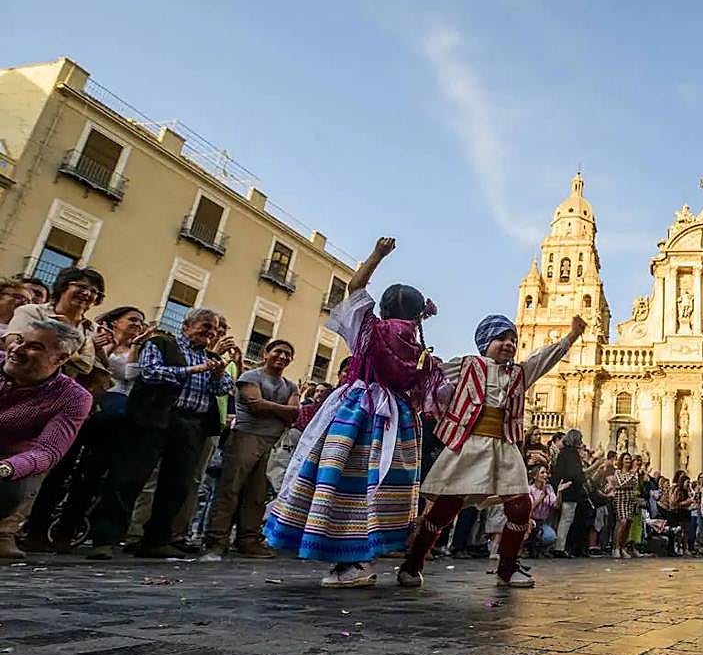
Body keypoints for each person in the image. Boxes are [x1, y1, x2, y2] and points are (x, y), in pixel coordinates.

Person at [264, 237, 441, 587]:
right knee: (378, 485)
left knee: (344, 480)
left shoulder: (370, 329)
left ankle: (351, 562)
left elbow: (356, 286)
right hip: (399, 420)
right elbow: (431, 393)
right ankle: (364, 557)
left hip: (357, 413)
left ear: (386, 308)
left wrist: (377, 255)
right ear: (420, 314)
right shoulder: (422, 352)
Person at [397, 312, 587, 589]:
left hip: (504, 447)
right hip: (469, 446)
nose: (509, 344)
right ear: (485, 342)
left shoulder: (520, 373)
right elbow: (427, 374)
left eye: (513, 339)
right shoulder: (466, 366)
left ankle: (507, 568)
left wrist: (571, 337)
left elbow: (544, 359)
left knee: (520, 508)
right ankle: (412, 564)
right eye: (501, 338)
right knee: (444, 510)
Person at [90, 308, 236, 558]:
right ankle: (105, 539)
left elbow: (223, 389)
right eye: (205, 325)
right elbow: (150, 372)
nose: (209, 332)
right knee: (129, 477)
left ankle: (156, 540)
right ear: (187, 325)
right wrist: (191, 370)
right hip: (152, 420)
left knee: (176, 485)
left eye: (213, 329)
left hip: (191, 426)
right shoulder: (160, 344)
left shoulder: (212, 358)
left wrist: (218, 374)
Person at [21, 306, 151, 556]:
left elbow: (129, 375)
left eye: (141, 321)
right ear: (114, 322)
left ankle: (66, 533)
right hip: (85, 409)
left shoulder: (141, 351)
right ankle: (36, 530)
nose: (138, 324)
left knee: (91, 476)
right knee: (61, 469)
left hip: (115, 418)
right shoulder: (91, 341)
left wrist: (133, 347)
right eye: (132, 319)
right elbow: (89, 368)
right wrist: (104, 349)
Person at [0, 320, 92, 558]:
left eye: (35, 347)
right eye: (18, 340)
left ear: (61, 359)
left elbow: (48, 452)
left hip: (8, 460)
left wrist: (6, 468)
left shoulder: (73, 397)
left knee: (19, 479)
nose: (17, 349)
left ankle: (4, 531)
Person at [202, 340, 300, 560]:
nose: (283, 357)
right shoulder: (250, 377)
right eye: (278, 351)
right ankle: (216, 541)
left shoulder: (290, 385)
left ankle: (248, 541)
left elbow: (295, 413)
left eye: (287, 354)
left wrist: (273, 408)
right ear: (266, 353)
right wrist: (283, 410)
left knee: (257, 494)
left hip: (271, 442)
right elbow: (255, 405)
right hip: (245, 437)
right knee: (230, 490)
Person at [5, 266, 109, 395]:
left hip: (58, 395)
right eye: (81, 287)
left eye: (94, 291)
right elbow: (13, 342)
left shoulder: (92, 328)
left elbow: (87, 367)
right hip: (16, 384)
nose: (87, 293)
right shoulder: (32, 311)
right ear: (63, 286)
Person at [610, 452, 640, 558]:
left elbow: (635, 484)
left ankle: (623, 547)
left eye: (629, 459)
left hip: (630, 498)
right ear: (621, 460)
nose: (628, 461)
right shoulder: (617, 472)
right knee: (622, 522)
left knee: (628, 524)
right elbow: (621, 483)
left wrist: (632, 476)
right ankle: (616, 548)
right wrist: (632, 476)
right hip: (620, 498)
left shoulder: (634, 473)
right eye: (626, 459)